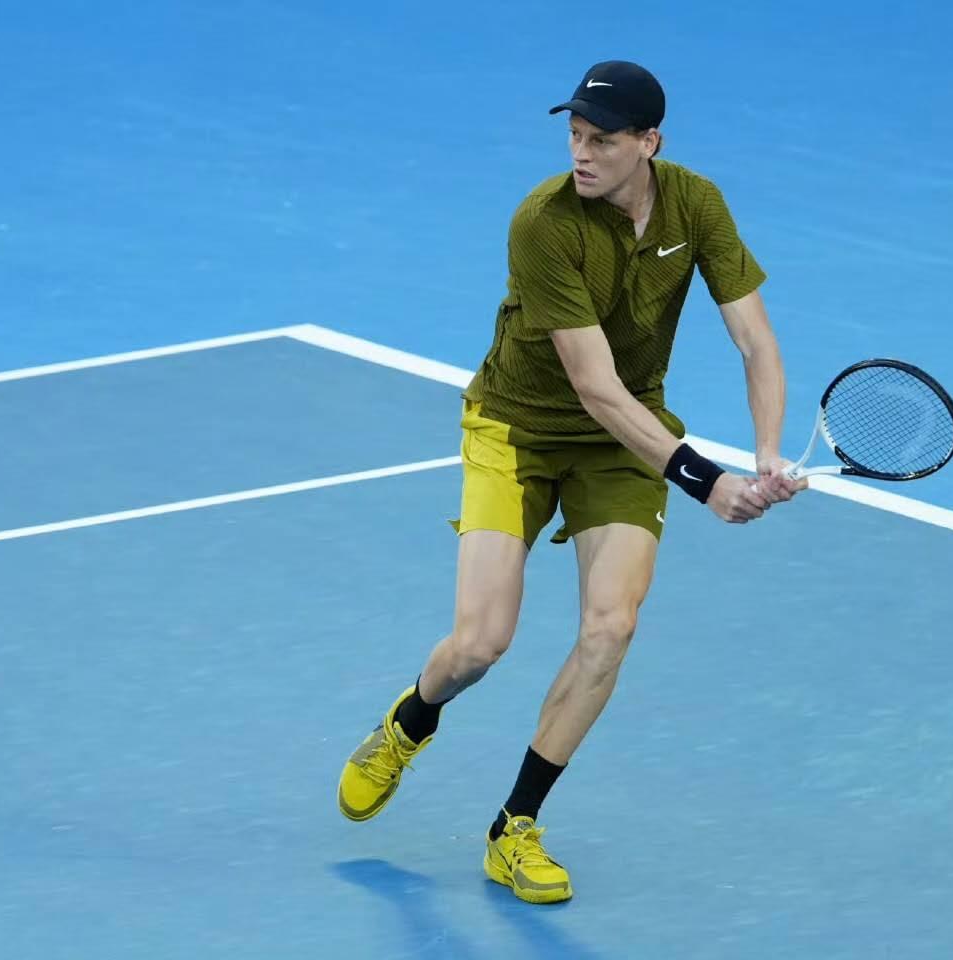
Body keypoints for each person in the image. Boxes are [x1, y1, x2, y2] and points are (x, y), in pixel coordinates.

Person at [336, 59, 806, 904]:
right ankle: (409, 722)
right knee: (480, 643)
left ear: (649, 142)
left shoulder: (696, 204)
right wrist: (705, 480)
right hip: (517, 429)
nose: (580, 154)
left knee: (610, 628)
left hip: (620, 446)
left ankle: (514, 826)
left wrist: (768, 453)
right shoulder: (543, 222)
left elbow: (755, 340)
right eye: (574, 136)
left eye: (602, 140)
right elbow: (593, 386)